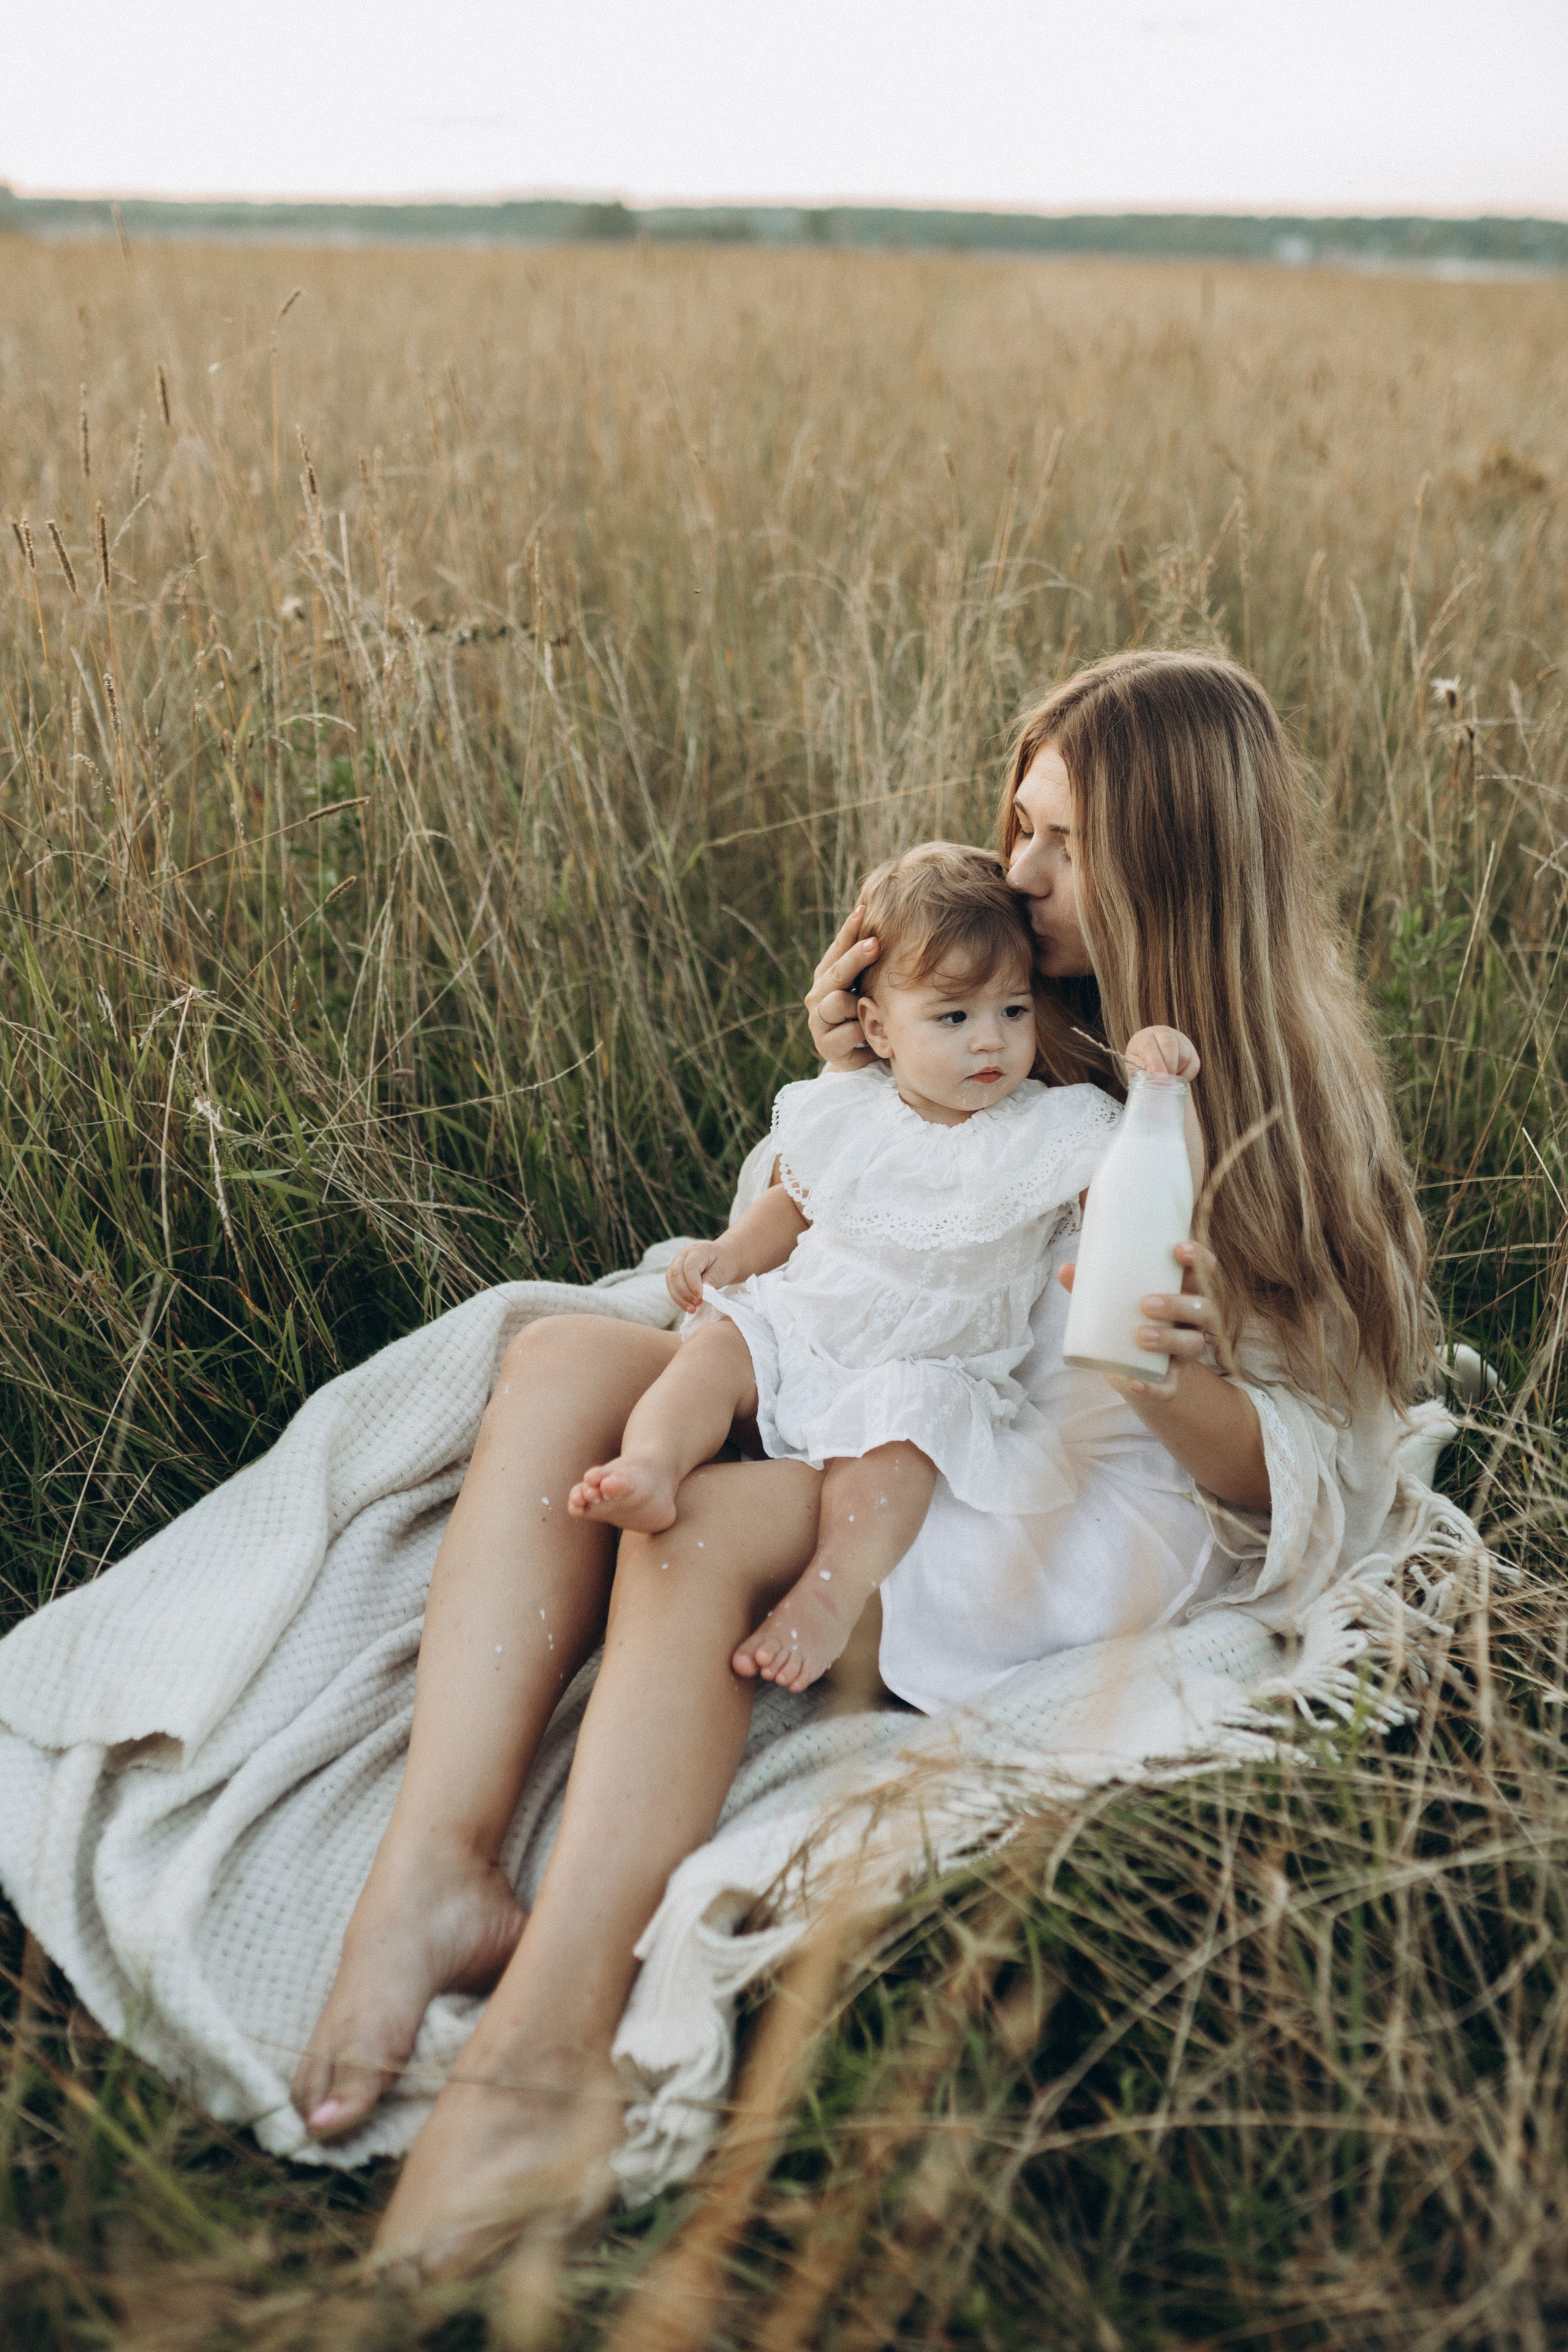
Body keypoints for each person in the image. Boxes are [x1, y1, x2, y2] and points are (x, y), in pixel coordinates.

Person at [290, 650, 1433, 2273]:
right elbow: (857, 1225)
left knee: (697, 1531)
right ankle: (436, 1871)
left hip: (1068, 1493)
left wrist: (1170, 1378)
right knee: (555, 1367)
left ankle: (544, 2052)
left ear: (1172, 864)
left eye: (1064, 848)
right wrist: (857, 1066)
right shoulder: (1032, 1018)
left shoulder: (1264, 1109)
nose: (1021, 880)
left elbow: (1314, 1480)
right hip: (915, 1381)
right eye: (1018, 829)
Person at [568, 842, 1127, 1697]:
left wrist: (1157, 1090)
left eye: (1013, 1011)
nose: (991, 1042)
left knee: (905, 1440)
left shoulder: (1050, 1128)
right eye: (952, 1019)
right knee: (719, 1344)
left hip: (928, 1366)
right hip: (810, 1326)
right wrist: (728, 1257)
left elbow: (1123, 1186)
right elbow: (790, 1205)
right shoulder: (850, 1109)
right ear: (877, 1030)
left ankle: (831, 1591)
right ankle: (651, 1465)